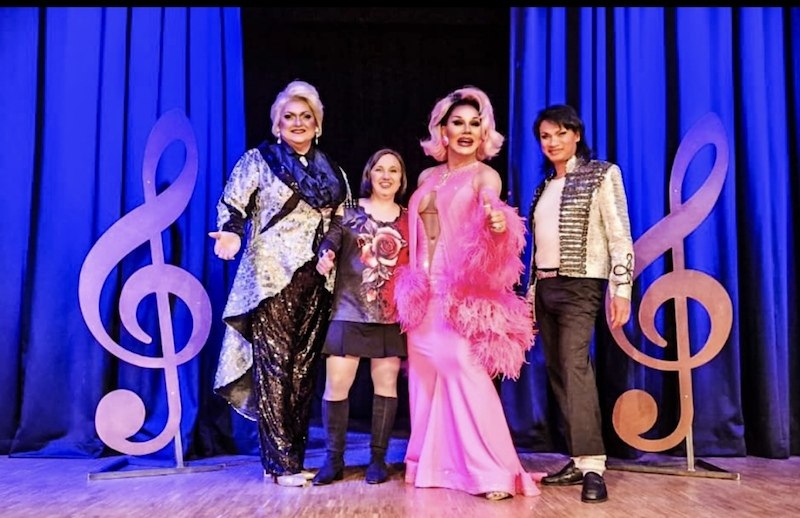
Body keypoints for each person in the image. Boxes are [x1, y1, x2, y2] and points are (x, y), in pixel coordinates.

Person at [394, 86, 539, 501]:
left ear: (484, 133)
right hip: (422, 296)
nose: (466, 130)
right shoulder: (427, 177)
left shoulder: (483, 175)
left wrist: (497, 221)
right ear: (442, 130)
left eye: (475, 124)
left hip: (456, 296)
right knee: (423, 378)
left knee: (464, 371)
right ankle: (431, 465)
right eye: (457, 122)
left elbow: (493, 205)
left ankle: (492, 472)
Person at [209, 80, 350, 487]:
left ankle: (292, 459)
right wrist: (231, 235)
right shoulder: (259, 161)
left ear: (318, 124)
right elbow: (233, 204)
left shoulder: (332, 170)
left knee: (303, 372)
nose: (298, 123)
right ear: (277, 124)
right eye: (289, 117)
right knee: (275, 368)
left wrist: (329, 248)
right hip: (271, 277)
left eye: (306, 117)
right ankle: (281, 463)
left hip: (318, 279)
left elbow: (342, 218)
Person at [525, 104, 634, 504]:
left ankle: (593, 467)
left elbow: (620, 236)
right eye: (545, 136)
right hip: (546, 286)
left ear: (576, 134)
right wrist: (531, 295)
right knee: (557, 371)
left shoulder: (601, 174)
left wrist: (621, 290)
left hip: (581, 285)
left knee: (574, 367)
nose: (552, 142)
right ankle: (577, 457)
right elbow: (538, 250)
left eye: (560, 133)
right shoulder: (543, 188)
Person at [312, 148, 410, 486]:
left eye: (393, 170)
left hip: (390, 316)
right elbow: (330, 241)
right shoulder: (349, 211)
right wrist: (325, 255)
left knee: (386, 387)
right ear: (369, 174)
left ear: (401, 179)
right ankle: (333, 460)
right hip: (348, 311)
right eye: (379, 169)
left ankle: (378, 460)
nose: (386, 176)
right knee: (336, 386)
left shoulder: (409, 218)